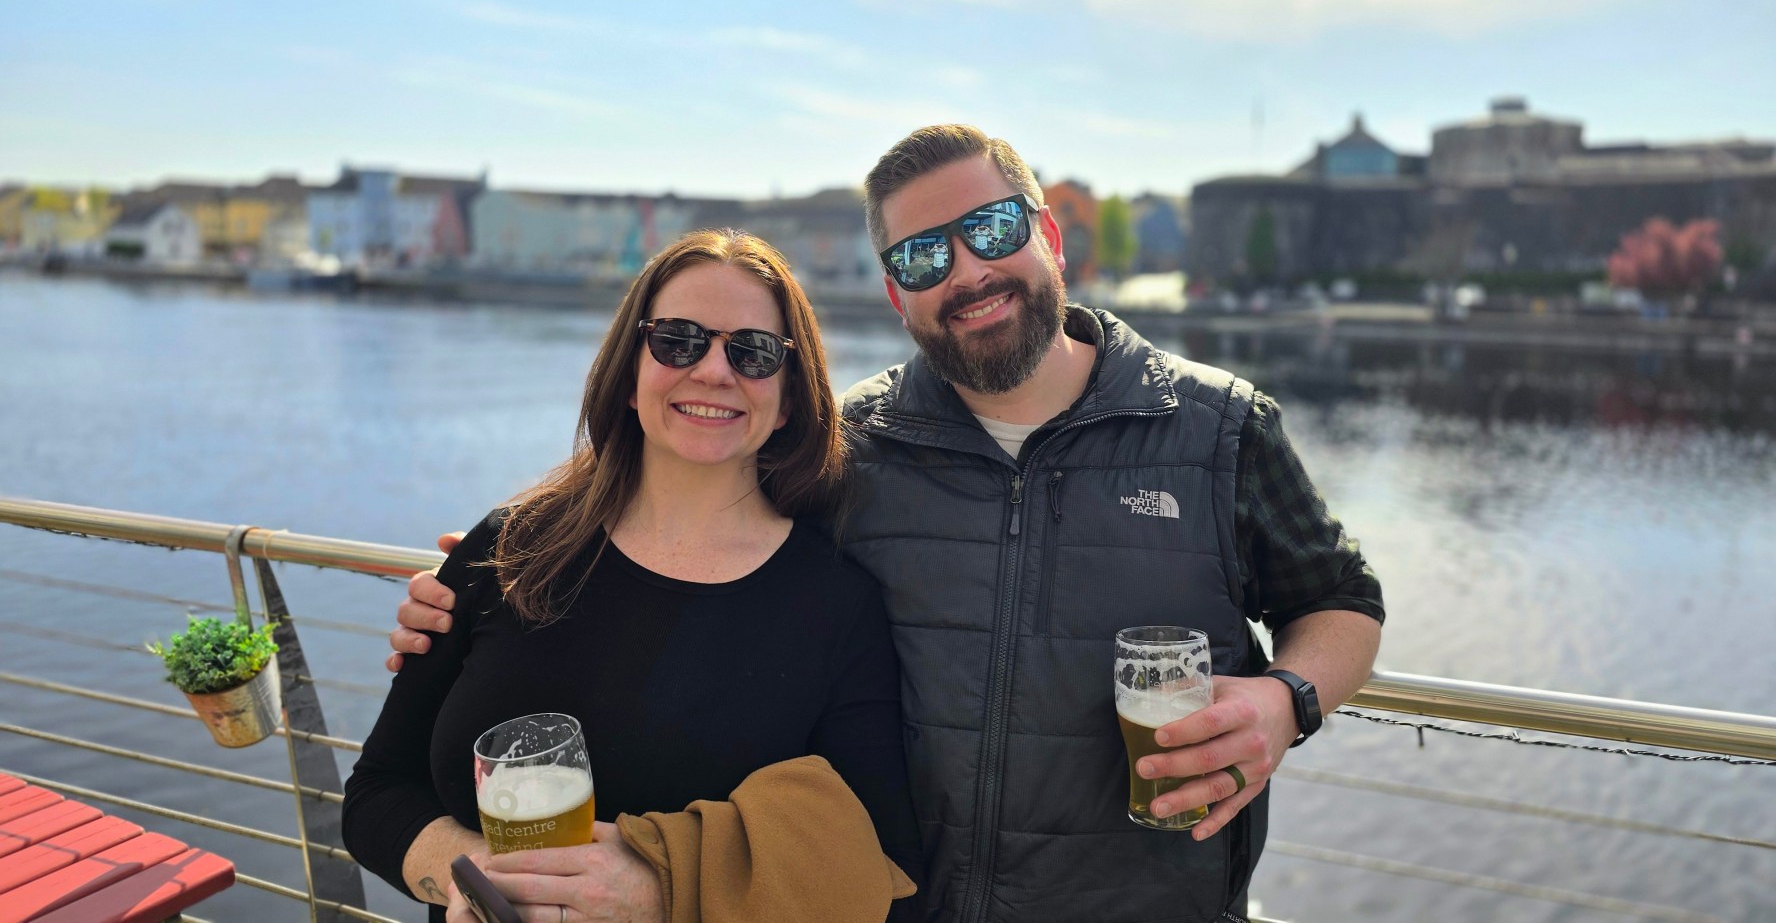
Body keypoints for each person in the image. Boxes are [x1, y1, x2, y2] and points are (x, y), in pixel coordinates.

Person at [390, 126, 1385, 923]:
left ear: (1051, 234)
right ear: (894, 290)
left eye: (992, 230)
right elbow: (688, 549)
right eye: (921, 253)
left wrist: (1286, 700)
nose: (966, 271)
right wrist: (475, 599)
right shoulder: (846, 450)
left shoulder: (1218, 429)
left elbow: (1342, 599)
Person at [345, 229, 924, 923]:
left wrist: (660, 889)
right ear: (628, 373)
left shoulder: (837, 607)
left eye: (753, 352)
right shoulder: (508, 551)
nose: (713, 371)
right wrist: (468, 881)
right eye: (677, 340)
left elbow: (887, 870)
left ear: (791, 397)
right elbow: (378, 791)